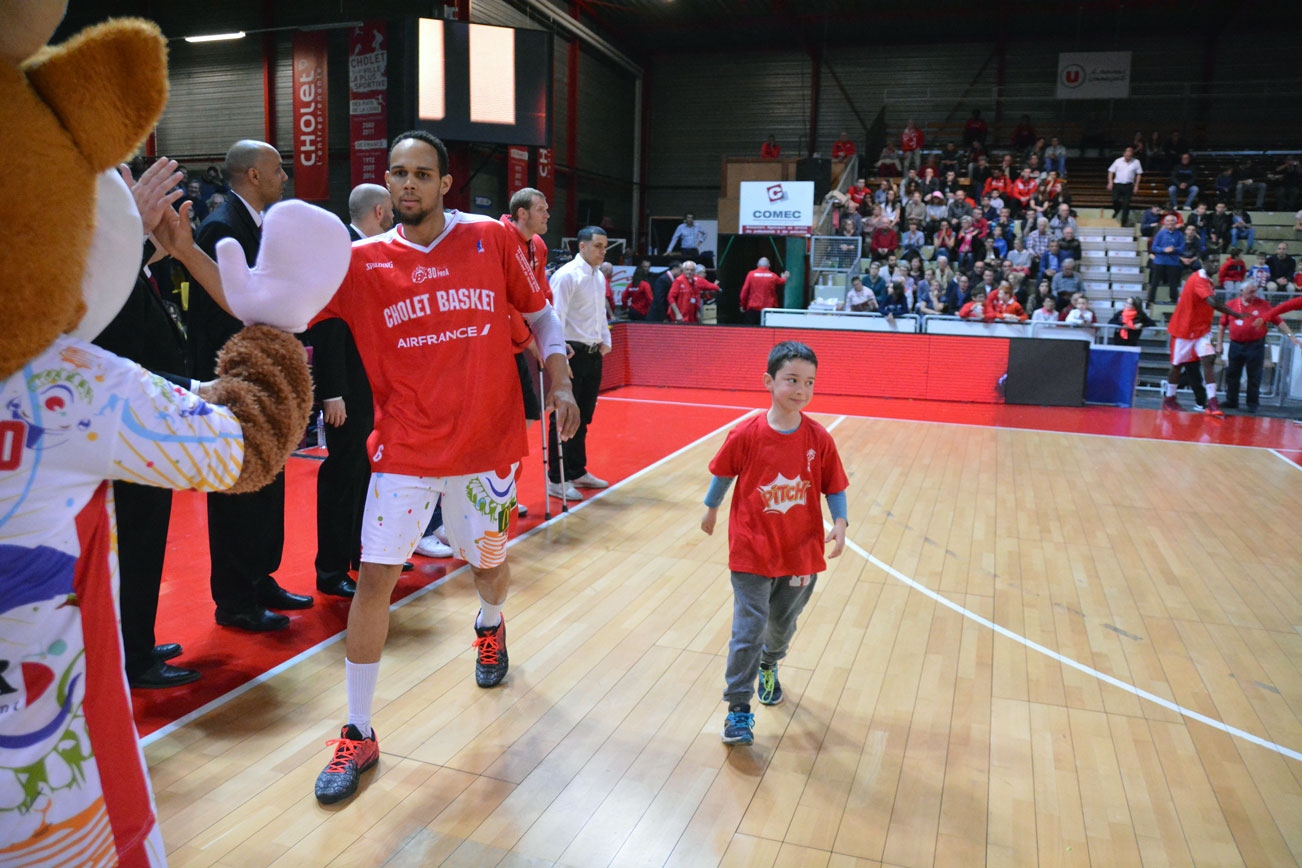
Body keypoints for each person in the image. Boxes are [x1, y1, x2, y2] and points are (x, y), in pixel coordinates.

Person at [311, 131, 580, 805]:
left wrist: (564, 382)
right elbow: (268, 306)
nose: (409, 184)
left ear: (445, 183)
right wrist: (187, 251)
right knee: (375, 578)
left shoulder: (491, 239)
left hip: (486, 449)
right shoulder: (361, 261)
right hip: (403, 450)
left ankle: (489, 627)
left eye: (422, 174)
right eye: (398, 173)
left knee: (487, 567)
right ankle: (359, 729)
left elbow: (544, 322)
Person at [187, 139, 313, 631]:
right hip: (236, 381)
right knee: (237, 489)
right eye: (277, 170)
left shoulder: (256, 225)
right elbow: (220, 313)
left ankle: (260, 578)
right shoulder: (221, 227)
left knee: (267, 483)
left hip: (264, 377)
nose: (285, 177)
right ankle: (235, 599)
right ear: (254, 176)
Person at [700, 341, 848, 745]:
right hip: (751, 551)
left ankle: (771, 663)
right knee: (747, 630)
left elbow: (834, 485)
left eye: (809, 382)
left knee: (780, 627)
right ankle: (738, 710)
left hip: (800, 553)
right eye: (792, 380)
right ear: (769, 381)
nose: (801, 389)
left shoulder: (819, 438)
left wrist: (840, 520)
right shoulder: (746, 433)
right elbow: (723, 473)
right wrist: (710, 508)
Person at [92, 158, 201, 688]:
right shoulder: (96, 267)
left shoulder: (124, 261)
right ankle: (131, 657)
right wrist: (131, 237)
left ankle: (137, 641)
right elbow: (105, 330)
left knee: (145, 541)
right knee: (133, 542)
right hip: (124, 424)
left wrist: (158, 241)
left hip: (144, 427)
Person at [308, 183, 397, 601]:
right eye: (392, 210)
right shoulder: (339, 249)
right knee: (342, 474)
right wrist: (332, 391)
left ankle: (359, 554)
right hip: (346, 387)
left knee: (365, 473)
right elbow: (327, 326)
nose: (396, 217)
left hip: (369, 385)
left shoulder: (368, 253)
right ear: (379, 211)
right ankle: (329, 568)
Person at [548, 226, 612, 501]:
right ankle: (556, 478)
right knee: (563, 416)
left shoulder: (598, 277)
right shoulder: (566, 277)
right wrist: (561, 359)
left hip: (592, 353)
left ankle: (577, 470)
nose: (602, 251)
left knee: (583, 416)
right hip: (571, 352)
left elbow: (599, 314)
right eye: (598, 246)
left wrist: (605, 339)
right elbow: (554, 317)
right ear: (582, 246)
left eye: (605, 247)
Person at [1161, 257, 1245, 416]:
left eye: (1217, 261)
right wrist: (1235, 314)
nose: (1215, 265)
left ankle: (1212, 401)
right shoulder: (1198, 279)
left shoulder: (1208, 280)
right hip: (1184, 329)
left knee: (1208, 359)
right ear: (1202, 262)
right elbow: (1212, 302)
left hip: (1202, 330)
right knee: (1177, 365)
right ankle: (1169, 398)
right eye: (1211, 261)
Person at [1217, 281, 1298, 412]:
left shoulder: (1264, 305)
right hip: (1236, 345)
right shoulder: (1231, 305)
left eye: (1255, 291)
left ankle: (1252, 403)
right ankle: (1231, 401)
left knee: (1254, 375)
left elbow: (1279, 321)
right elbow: (1221, 326)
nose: (1254, 294)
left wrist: (1291, 335)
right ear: (1242, 292)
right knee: (1232, 374)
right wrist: (1219, 344)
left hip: (1255, 345)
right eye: (1251, 292)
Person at [739, 256, 789, 325]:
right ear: (769, 266)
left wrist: (743, 305)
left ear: (757, 265)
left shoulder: (751, 275)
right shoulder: (773, 276)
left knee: (751, 331)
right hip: (768, 310)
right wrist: (785, 278)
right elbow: (781, 281)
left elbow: (744, 291)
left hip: (753, 308)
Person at [1149, 214, 1185, 305]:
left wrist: (1174, 249)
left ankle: (1173, 300)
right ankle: (1150, 300)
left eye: (1172, 221)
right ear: (1165, 222)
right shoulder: (1160, 234)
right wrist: (1163, 250)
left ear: (1176, 223)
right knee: (1154, 282)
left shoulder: (1180, 234)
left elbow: (1182, 248)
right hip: (1159, 261)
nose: (1170, 223)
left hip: (1173, 262)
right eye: (1168, 221)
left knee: (1173, 283)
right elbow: (1154, 247)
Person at [1107, 146, 1143, 227]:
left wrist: (1136, 185)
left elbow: (1139, 174)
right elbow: (1110, 171)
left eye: (1129, 156)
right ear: (1124, 154)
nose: (1128, 157)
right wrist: (1110, 182)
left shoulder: (1136, 162)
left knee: (1126, 204)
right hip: (1118, 184)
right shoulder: (1118, 161)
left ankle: (1123, 222)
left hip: (1128, 185)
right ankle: (1117, 211)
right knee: (1115, 200)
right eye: (1126, 156)